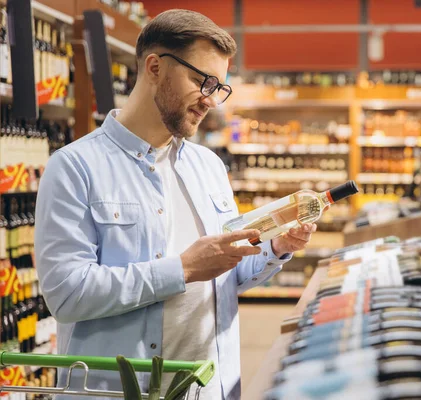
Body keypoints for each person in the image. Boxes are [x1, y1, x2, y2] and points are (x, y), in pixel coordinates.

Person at [34, 9, 316, 400]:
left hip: (210, 389)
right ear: (154, 67)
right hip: (120, 393)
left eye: (220, 88)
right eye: (203, 81)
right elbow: (66, 294)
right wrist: (182, 269)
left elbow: (225, 276)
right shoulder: (75, 168)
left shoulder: (208, 167)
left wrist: (274, 249)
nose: (211, 101)